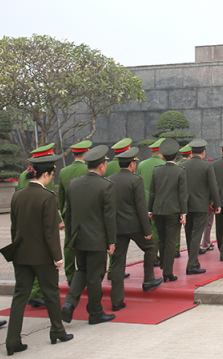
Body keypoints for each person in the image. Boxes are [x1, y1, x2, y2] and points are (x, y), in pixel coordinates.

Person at [4, 150, 73, 354]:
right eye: (52, 175)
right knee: (51, 293)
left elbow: (14, 228)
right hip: (42, 256)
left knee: (19, 297)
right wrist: (57, 257)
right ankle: (57, 331)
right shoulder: (46, 197)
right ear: (47, 174)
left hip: (21, 255)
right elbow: (50, 232)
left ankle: (12, 341)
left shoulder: (17, 195)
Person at [62, 144, 116, 325]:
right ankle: (95, 312)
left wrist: (71, 237)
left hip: (78, 238)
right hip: (97, 239)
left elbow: (68, 214)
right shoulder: (105, 186)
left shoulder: (73, 184)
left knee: (81, 271)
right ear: (101, 166)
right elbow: (109, 217)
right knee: (95, 277)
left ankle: (69, 303)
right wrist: (111, 241)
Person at [108, 147, 161, 311]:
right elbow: (140, 206)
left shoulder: (110, 180)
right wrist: (147, 231)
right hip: (134, 225)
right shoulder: (136, 180)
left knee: (117, 262)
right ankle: (148, 280)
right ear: (132, 164)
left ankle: (116, 301)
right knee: (151, 247)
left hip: (116, 227)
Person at [148, 138, 188, 281]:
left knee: (162, 240)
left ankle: (164, 265)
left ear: (163, 156)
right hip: (173, 210)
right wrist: (184, 213)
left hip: (158, 209)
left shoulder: (157, 170)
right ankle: (167, 272)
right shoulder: (180, 171)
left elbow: (152, 192)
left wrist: (150, 210)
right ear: (176, 156)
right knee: (171, 242)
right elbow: (182, 194)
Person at [182, 138, 221, 273]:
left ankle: (193, 261)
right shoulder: (206, 166)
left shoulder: (183, 165)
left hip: (186, 205)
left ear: (191, 152)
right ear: (203, 153)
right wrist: (216, 203)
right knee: (196, 234)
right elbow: (213, 186)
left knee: (189, 234)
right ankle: (191, 264)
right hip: (200, 204)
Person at [58, 139, 92, 285]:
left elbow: (60, 196)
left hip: (69, 213)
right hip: (87, 213)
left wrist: (63, 214)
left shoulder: (64, 171)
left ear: (73, 155)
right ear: (87, 153)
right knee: (88, 243)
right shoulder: (88, 170)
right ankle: (86, 272)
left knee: (69, 244)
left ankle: (70, 274)